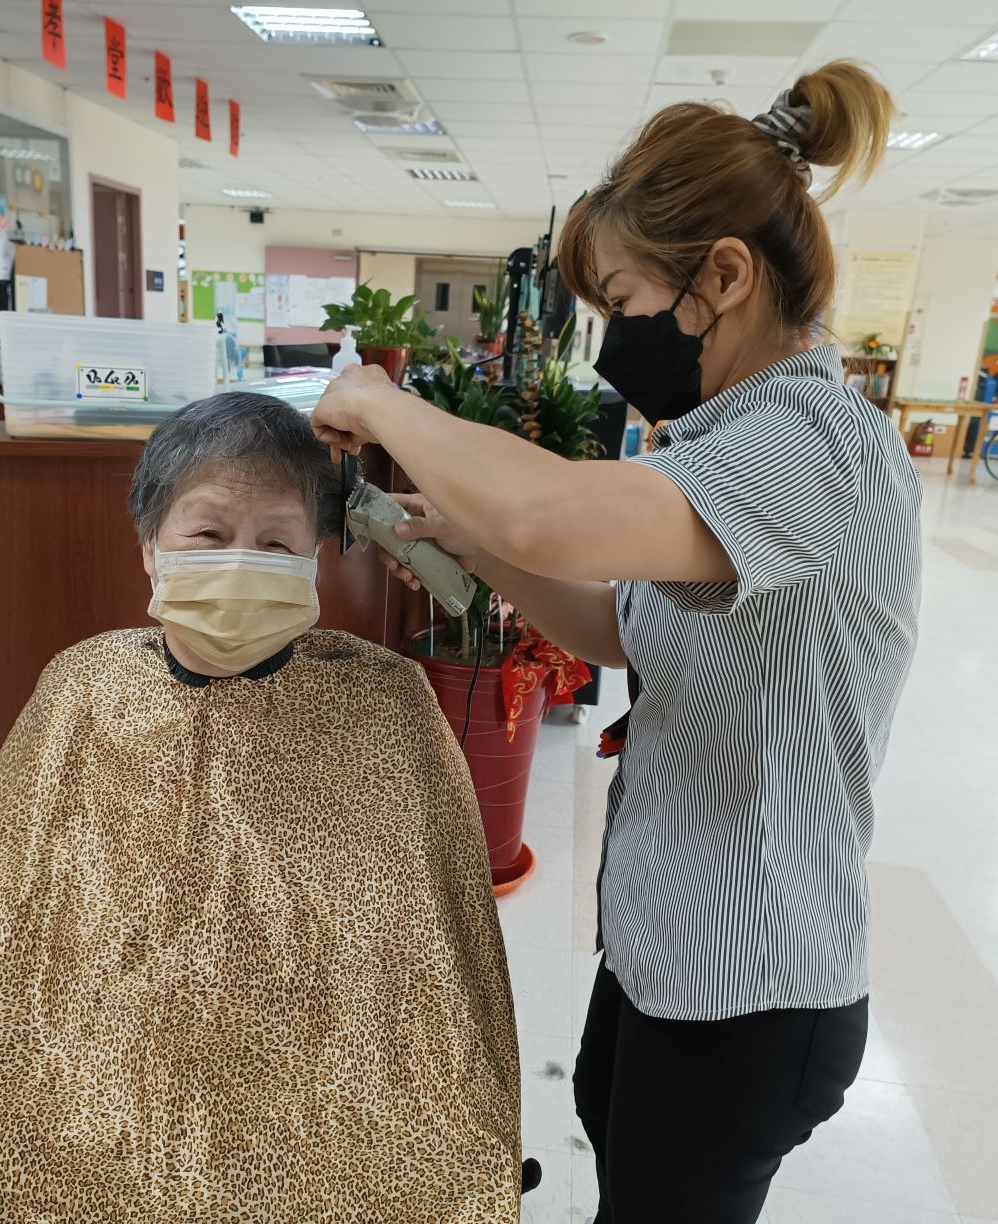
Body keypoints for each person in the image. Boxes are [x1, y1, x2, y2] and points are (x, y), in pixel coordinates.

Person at [310, 61, 921, 1224]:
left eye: (630, 304)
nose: (614, 343)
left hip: (752, 990)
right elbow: (615, 627)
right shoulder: (714, 449)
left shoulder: (813, 444)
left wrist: (383, 403)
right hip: (670, 948)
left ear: (724, 277)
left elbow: (547, 507)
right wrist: (473, 550)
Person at [0, 393, 522, 1223]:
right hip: (104, 1097)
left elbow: (436, 967)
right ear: (151, 549)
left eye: (276, 541)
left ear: (317, 555)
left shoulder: (382, 702)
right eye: (207, 535)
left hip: (319, 1104)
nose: (240, 562)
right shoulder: (83, 690)